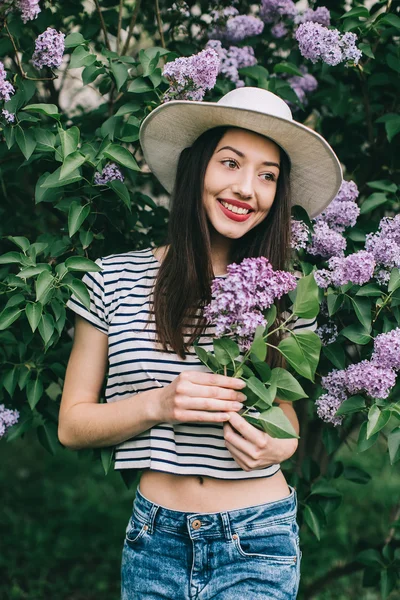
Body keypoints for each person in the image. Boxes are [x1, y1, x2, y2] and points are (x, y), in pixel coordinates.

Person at [59, 87, 342, 599]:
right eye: (230, 163)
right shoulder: (113, 279)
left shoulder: (283, 292)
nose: (246, 189)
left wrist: (280, 443)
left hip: (257, 536)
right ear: (196, 168)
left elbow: (285, 414)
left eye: (267, 175)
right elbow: (73, 424)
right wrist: (159, 404)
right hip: (155, 540)